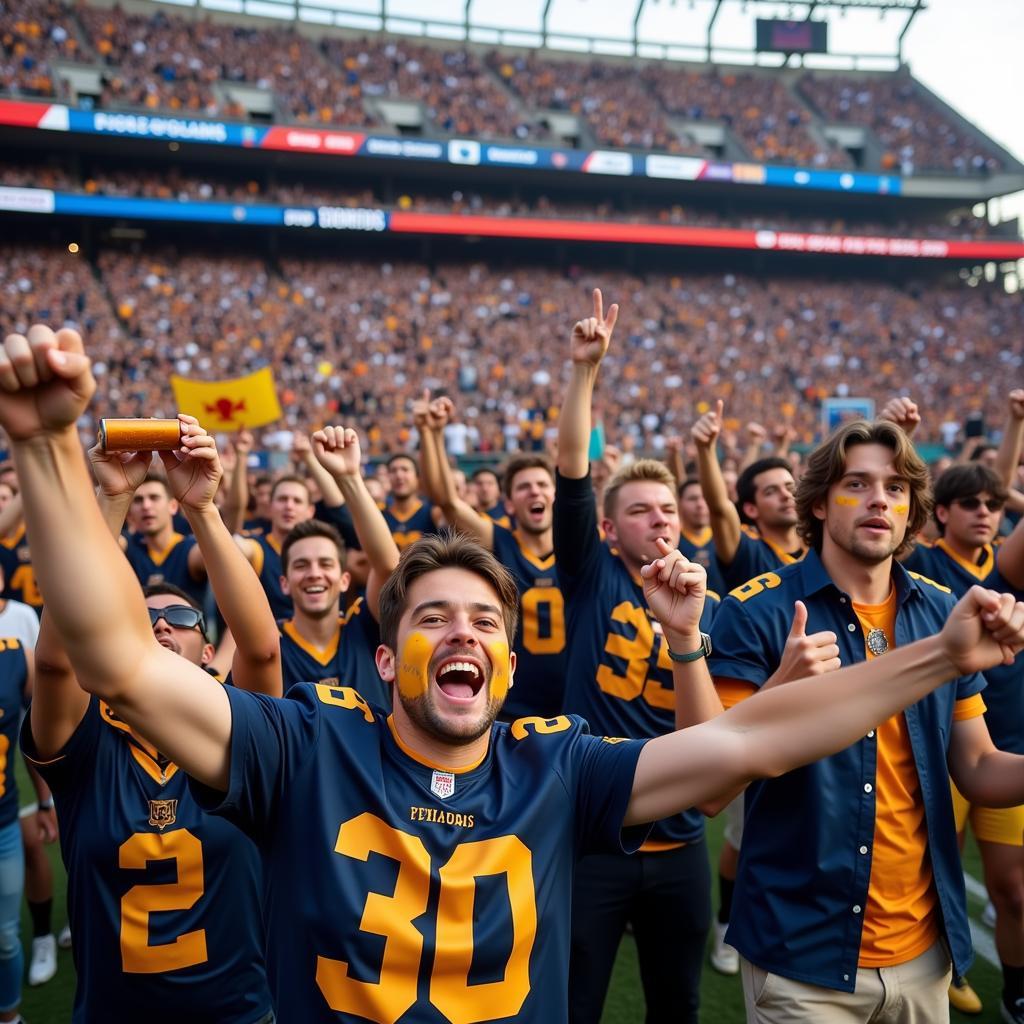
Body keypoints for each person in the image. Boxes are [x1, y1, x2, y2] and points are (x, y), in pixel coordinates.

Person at [7, 323, 1024, 1024]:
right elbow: (118, 660)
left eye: (486, 621)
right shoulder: (308, 745)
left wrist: (937, 653)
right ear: (380, 655)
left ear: (506, 661)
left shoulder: (555, 764)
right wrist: (53, 448)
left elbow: (746, 742)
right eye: (433, 616)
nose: (464, 632)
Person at [709, 417, 1024, 1023]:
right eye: (857, 483)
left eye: (898, 487)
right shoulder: (757, 612)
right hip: (801, 954)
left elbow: (980, 767)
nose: (880, 497)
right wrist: (781, 691)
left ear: (912, 511)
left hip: (925, 954)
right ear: (821, 502)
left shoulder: (940, 612)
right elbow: (712, 787)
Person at [22, 415, 276, 1023]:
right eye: (144, 617)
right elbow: (56, 667)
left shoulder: (243, 736)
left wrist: (204, 510)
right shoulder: (87, 748)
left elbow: (263, 649)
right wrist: (113, 501)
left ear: (209, 651)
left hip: (238, 1013)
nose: (162, 624)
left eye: (183, 620)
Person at [555, 290, 719, 1024]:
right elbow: (569, 474)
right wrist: (585, 374)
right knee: (575, 999)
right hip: (595, 828)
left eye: (669, 509)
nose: (661, 519)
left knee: (676, 1004)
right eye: (641, 510)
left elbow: (713, 739)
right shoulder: (593, 574)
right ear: (609, 529)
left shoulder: (704, 597)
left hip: (680, 834)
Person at [903, 462, 1024, 1022]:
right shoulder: (923, 566)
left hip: (1007, 742)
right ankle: (949, 965)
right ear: (941, 513)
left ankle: (1016, 991)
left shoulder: (1006, 569)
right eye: (970, 503)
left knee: (1015, 890)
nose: (984, 512)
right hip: (936, 743)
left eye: (992, 505)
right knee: (927, 874)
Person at [419, 396, 566, 719]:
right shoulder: (498, 539)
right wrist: (432, 433)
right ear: (509, 504)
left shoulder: (579, 549)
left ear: (556, 496)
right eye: (524, 487)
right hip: (513, 699)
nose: (535, 492)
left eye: (543, 484)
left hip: (574, 698)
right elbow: (447, 501)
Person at [274, 424, 399, 705]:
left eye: (325, 563)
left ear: (344, 579)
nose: (314, 573)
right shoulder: (270, 644)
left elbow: (389, 568)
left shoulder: (363, 629)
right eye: (302, 565)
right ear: (284, 582)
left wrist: (349, 477)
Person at [692, 399, 805, 591]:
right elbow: (719, 507)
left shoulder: (822, 547)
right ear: (751, 509)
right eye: (771, 491)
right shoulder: (746, 551)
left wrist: (782, 447)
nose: (786, 495)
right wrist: (705, 449)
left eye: (790, 487)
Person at [237, 475, 315, 620]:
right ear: (270, 506)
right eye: (282, 499)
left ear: (310, 511)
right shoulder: (256, 546)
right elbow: (235, 549)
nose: (289, 506)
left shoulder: (319, 555)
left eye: (297, 501)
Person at [381, 452, 440, 549]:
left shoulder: (434, 513)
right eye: (393, 471)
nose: (399, 475)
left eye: (405, 469)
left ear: (418, 478)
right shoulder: (380, 516)